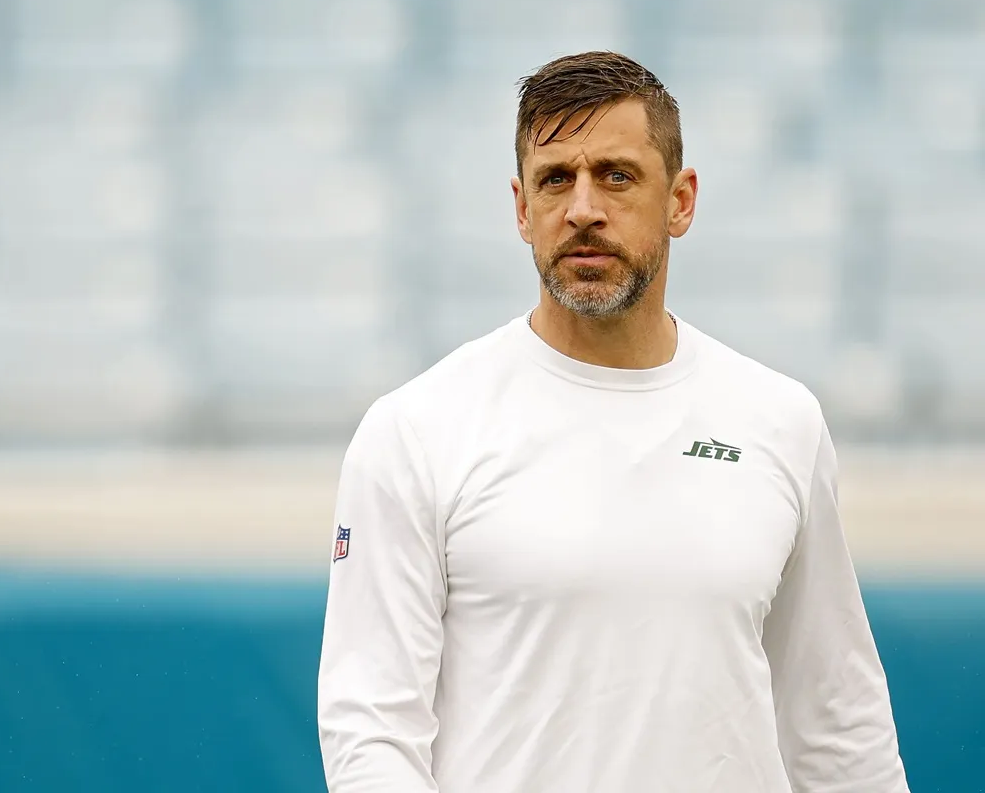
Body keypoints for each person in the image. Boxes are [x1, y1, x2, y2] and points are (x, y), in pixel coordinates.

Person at [316, 51, 909, 793]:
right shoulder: (416, 430)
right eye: (556, 179)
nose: (584, 208)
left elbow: (838, 720)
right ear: (522, 210)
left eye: (617, 176)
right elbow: (370, 728)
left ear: (681, 201)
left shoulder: (780, 420)